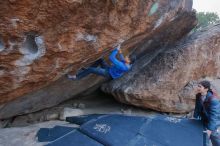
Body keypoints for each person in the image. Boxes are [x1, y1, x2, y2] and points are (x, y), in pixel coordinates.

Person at [67, 44, 132, 80]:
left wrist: (116, 50)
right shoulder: (128, 64)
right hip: (110, 69)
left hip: (109, 74)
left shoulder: (122, 66)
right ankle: (86, 70)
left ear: (129, 61)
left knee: (91, 69)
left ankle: (76, 77)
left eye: (128, 57)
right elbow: (123, 59)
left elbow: (111, 58)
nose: (126, 57)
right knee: (100, 59)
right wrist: (120, 53)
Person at [193, 80, 220, 146]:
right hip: (204, 118)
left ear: (206, 89)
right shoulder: (198, 95)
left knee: (214, 136)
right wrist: (195, 117)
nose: (198, 88)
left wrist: (210, 129)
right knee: (203, 136)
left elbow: (215, 116)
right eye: (198, 86)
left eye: (200, 86)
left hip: (213, 121)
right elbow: (197, 107)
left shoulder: (213, 100)